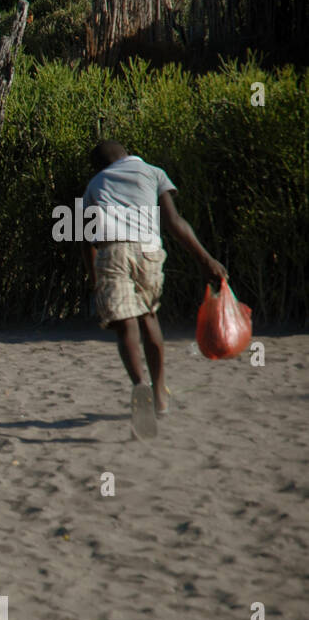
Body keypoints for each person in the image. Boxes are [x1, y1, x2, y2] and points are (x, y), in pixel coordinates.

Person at [81, 140, 227, 439]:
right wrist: (206, 259)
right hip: (149, 250)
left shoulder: (95, 184)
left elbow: (85, 238)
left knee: (126, 327)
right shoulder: (152, 172)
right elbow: (174, 222)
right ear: (127, 154)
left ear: (99, 166)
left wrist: (94, 279)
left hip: (114, 251)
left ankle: (140, 388)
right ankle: (160, 390)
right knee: (149, 318)